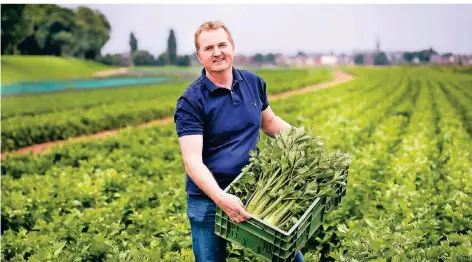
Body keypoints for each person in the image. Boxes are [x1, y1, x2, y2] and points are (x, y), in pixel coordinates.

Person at [174, 20, 305, 262]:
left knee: (288, 256)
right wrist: (221, 198)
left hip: (254, 190)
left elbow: (269, 122)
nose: (217, 52)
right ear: (199, 56)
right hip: (208, 202)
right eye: (208, 48)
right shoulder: (191, 101)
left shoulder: (253, 82)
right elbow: (192, 161)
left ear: (232, 47)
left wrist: (302, 140)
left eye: (222, 45)